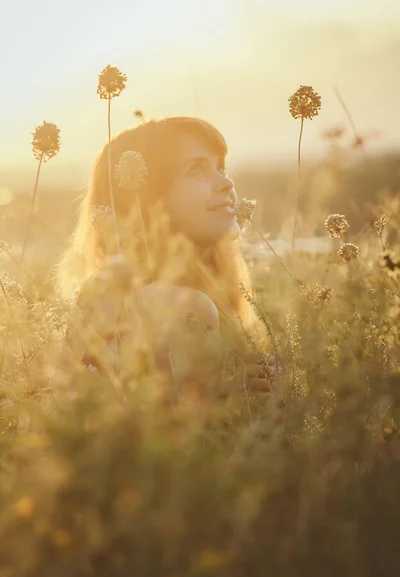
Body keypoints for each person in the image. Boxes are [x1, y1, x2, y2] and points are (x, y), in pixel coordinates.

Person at [55, 117, 281, 397]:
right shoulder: (179, 307)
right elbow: (178, 433)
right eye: (196, 170)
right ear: (146, 195)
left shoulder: (115, 294)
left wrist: (237, 384)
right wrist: (233, 399)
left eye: (220, 167)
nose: (226, 182)